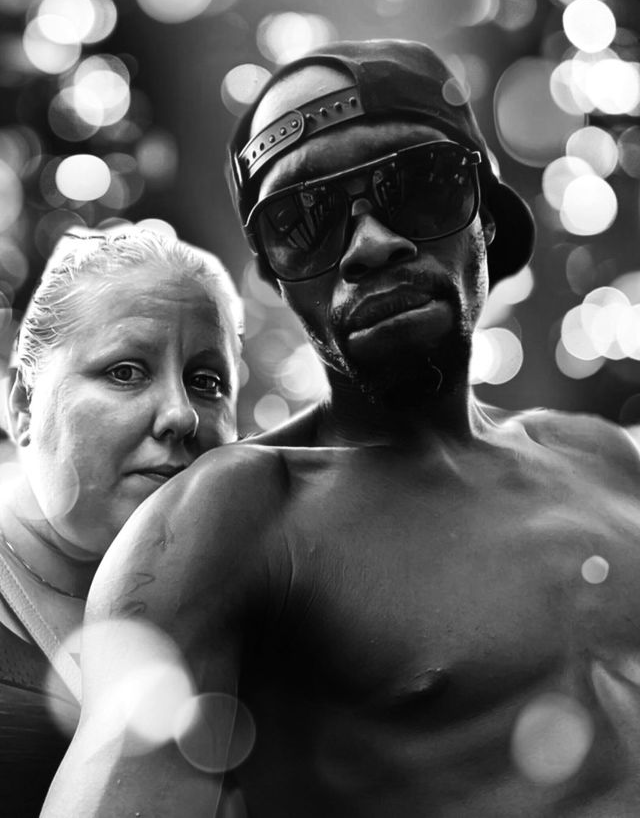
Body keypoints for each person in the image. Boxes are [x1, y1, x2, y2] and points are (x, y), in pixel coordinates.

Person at [42, 40, 640, 818]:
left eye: (418, 185)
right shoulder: (228, 520)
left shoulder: (599, 456)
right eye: (304, 221)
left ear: (486, 218)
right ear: (276, 275)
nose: (370, 244)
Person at [0, 228, 243, 818]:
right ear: (24, 404)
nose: (182, 415)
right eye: (126, 371)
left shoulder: (258, 600)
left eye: (207, 382)